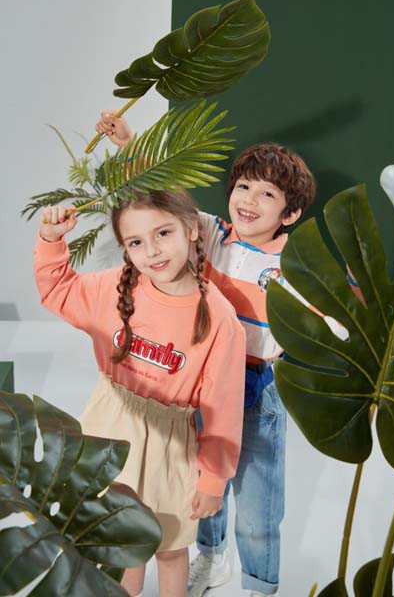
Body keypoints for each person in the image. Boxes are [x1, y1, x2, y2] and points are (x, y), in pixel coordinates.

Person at [95, 112, 344, 597]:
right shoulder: (210, 234)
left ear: (290, 214)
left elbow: (334, 319)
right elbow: (165, 195)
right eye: (244, 187)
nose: (250, 200)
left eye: (267, 195)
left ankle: (259, 584)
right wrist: (128, 145)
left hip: (257, 388)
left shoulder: (297, 264)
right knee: (200, 484)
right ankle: (211, 558)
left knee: (257, 501)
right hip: (199, 380)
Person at [34, 190, 246, 597]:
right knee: (121, 542)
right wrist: (51, 240)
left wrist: (213, 480)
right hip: (108, 430)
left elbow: (223, 409)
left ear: (191, 229)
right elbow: (58, 289)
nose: (151, 250)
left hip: (169, 447)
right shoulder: (116, 288)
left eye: (163, 233)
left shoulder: (219, 318)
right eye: (135, 242)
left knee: (170, 545)